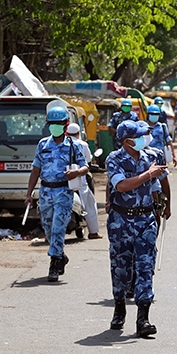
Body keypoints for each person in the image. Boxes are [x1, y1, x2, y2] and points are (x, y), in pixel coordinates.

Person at [106, 120, 168, 337]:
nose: (144, 139)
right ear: (127, 141)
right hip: (120, 220)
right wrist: (148, 175)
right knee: (121, 268)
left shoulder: (150, 158)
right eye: (139, 136)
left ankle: (143, 318)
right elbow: (121, 185)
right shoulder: (114, 159)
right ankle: (119, 306)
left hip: (145, 220)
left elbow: (154, 186)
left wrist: (160, 204)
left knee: (145, 267)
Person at [25, 106, 89, 281]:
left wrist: (76, 173)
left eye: (58, 124)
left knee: (59, 228)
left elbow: (85, 166)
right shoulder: (43, 144)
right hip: (45, 191)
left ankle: (53, 264)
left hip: (63, 191)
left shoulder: (73, 146)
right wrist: (29, 194)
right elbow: (35, 170)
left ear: (65, 124)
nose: (55, 127)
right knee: (48, 227)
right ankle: (61, 255)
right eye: (52, 124)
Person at [65, 123, 102, 240]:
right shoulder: (82, 144)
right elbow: (88, 160)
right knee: (90, 205)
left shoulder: (61, 143)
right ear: (79, 133)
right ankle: (93, 232)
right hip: (79, 178)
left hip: (64, 178)